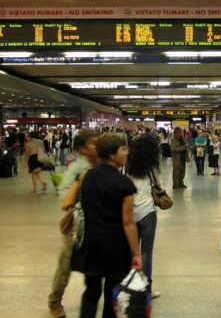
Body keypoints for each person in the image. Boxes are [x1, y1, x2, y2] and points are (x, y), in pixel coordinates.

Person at [78, 133, 142, 318]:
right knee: (112, 292)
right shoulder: (124, 183)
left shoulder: (88, 177)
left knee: (91, 291)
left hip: (91, 243)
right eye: (123, 149)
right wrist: (136, 253)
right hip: (115, 246)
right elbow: (128, 221)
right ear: (111, 153)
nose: (126, 153)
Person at [48, 130, 99, 318]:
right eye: (94, 143)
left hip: (101, 222)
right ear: (82, 149)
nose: (98, 146)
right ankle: (55, 301)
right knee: (66, 263)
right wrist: (75, 205)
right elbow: (64, 192)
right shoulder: (78, 168)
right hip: (79, 223)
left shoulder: (106, 162)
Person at [126, 133, 162, 299]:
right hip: (148, 213)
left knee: (131, 252)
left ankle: (129, 287)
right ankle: (146, 290)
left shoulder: (125, 167)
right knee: (147, 252)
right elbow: (158, 186)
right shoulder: (151, 169)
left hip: (128, 214)